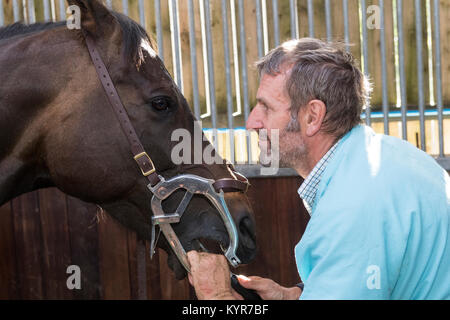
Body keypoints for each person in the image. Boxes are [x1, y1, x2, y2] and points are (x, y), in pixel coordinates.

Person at [187, 38, 450, 300]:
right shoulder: (391, 156)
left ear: (312, 116)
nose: (252, 122)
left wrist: (216, 295)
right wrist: (295, 296)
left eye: (266, 107)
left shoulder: (352, 206)